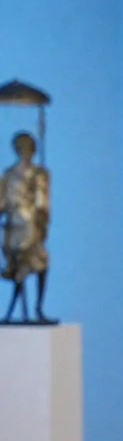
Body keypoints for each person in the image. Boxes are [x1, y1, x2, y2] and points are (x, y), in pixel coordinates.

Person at [1, 131, 55, 324]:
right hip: (27, 226)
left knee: (22, 268)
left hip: (14, 227)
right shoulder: (37, 173)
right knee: (38, 263)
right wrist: (43, 222)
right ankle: (36, 309)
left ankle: (20, 311)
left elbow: (1, 204)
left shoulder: (9, 175)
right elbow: (42, 203)